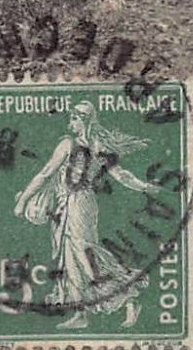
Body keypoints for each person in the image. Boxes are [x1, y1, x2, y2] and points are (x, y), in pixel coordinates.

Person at [13, 101, 162, 329]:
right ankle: (81, 313)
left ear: (83, 120)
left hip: (77, 204)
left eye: (73, 118)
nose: (70, 122)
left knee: (84, 255)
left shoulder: (68, 144)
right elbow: (122, 175)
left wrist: (23, 200)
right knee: (72, 258)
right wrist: (144, 186)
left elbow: (45, 174)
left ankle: (128, 298)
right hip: (75, 204)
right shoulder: (98, 145)